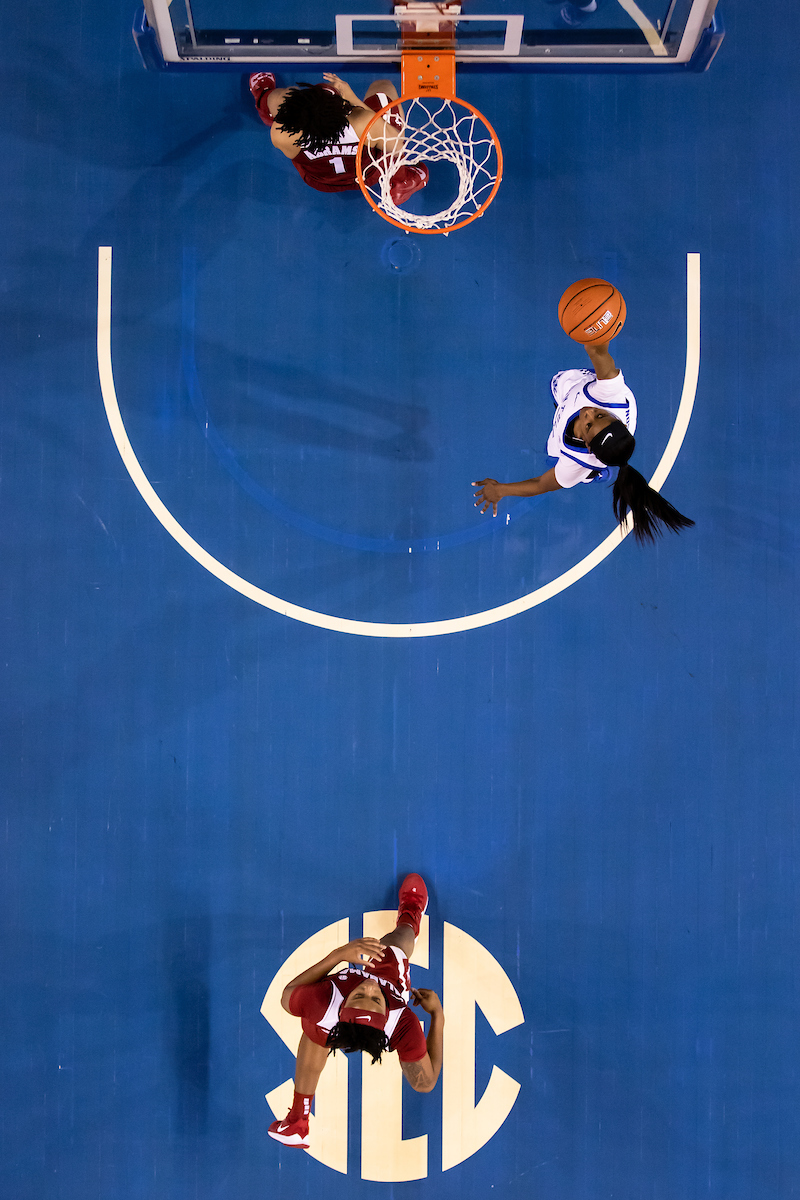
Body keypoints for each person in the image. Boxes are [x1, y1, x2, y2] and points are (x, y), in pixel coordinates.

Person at [268, 873, 443, 1150]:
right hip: (392, 987)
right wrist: (437, 1017)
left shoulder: (324, 1002)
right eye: (375, 999)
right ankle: (411, 914)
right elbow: (427, 1082)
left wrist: (338, 955)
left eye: (359, 995)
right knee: (398, 941)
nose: (371, 986)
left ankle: (297, 1120)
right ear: (386, 1015)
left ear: (344, 1005)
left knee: (316, 1029)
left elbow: (286, 996)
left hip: (332, 1013)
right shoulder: (402, 1022)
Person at [472, 338, 694, 544]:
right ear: (618, 421)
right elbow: (598, 349)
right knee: (557, 383)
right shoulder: (610, 394)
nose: (588, 413)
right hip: (578, 387)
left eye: (588, 425)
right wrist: (594, 326)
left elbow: (542, 484)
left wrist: (501, 490)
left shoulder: (578, 462)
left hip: (581, 456)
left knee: (554, 461)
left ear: (587, 445)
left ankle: (597, 474)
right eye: (600, 415)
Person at [249, 71, 428, 204]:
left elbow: (293, 114)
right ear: (344, 112)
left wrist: (294, 102)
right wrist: (351, 98)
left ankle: (263, 97)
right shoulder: (360, 122)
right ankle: (400, 179)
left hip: (321, 181)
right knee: (383, 88)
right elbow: (396, 146)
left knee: (283, 98)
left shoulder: (281, 134)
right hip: (369, 175)